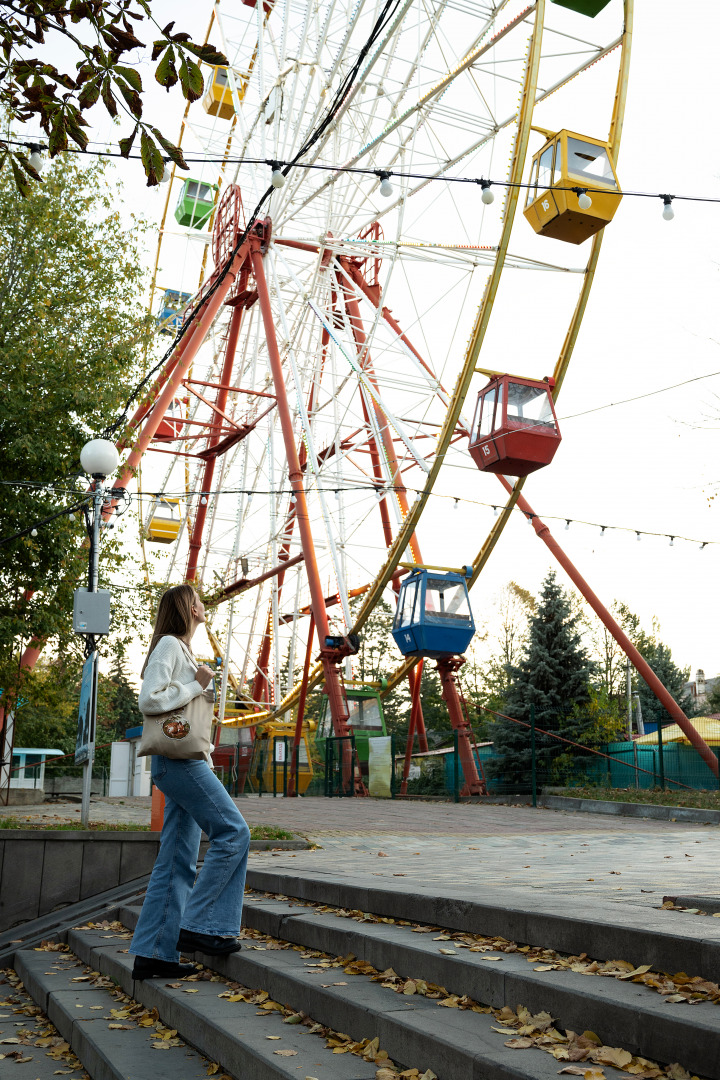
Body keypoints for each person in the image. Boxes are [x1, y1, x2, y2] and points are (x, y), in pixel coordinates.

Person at [130, 583, 251, 980]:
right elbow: (149, 699)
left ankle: (153, 954)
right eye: (196, 599)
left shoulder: (181, 649)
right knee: (233, 832)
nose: (202, 603)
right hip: (178, 764)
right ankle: (202, 926)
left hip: (180, 761)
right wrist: (197, 684)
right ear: (187, 608)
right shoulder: (168, 645)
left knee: (176, 860)